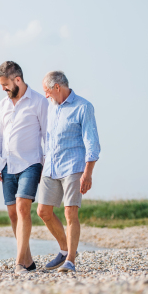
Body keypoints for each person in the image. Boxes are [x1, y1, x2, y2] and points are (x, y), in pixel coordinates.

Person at [37, 71, 100, 273]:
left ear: (57, 87)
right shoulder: (51, 108)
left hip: (73, 166)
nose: (45, 95)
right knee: (43, 211)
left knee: (70, 213)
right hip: (51, 167)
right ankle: (65, 250)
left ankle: (70, 261)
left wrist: (88, 173)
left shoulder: (83, 107)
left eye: (46, 91)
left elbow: (92, 143)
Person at [0, 61, 48, 274]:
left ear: (17, 80)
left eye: (5, 84)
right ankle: (29, 261)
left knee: (23, 208)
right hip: (7, 165)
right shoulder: (2, 105)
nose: (3, 88)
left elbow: (47, 136)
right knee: (13, 214)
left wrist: (46, 165)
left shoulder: (39, 102)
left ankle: (19, 263)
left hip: (31, 163)